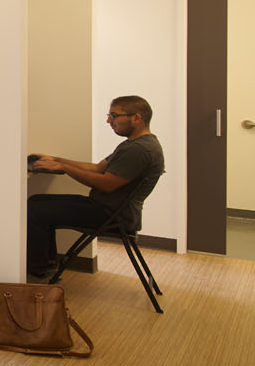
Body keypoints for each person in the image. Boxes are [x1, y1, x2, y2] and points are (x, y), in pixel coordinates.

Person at [27, 95, 164, 277]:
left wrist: (65, 168)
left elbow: (107, 184)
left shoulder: (138, 150)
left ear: (137, 118)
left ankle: (38, 269)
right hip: (110, 210)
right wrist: (56, 160)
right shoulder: (135, 144)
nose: (109, 121)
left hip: (111, 215)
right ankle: (46, 263)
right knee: (37, 201)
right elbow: (98, 168)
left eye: (114, 116)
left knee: (35, 208)